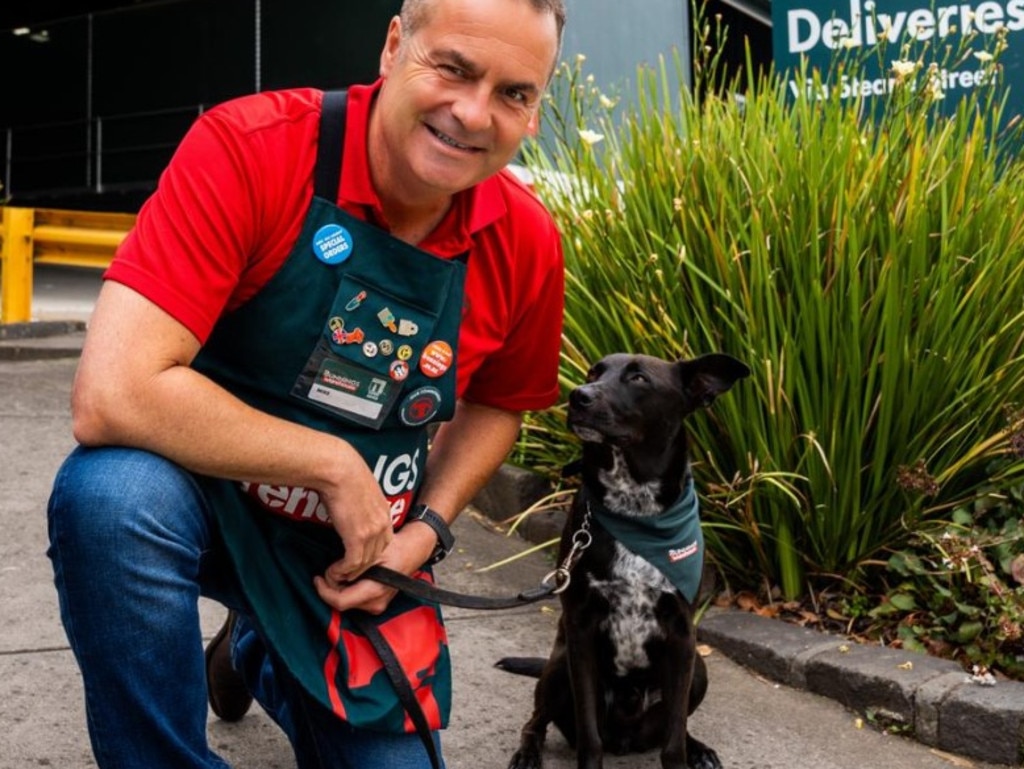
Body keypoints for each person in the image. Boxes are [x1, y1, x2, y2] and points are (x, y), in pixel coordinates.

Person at [45, 0, 566, 766]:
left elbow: (499, 404)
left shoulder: (525, 239)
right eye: (452, 68)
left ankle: (263, 648)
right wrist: (331, 463)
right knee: (108, 498)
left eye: (513, 92)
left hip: (344, 555)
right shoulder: (251, 147)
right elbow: (112, 391)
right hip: (197, 495)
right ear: (394, 46)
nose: (472, 112)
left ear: (534, 109)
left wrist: (426, 532)